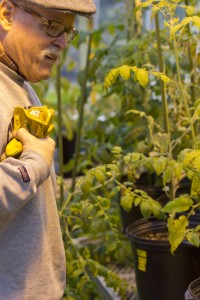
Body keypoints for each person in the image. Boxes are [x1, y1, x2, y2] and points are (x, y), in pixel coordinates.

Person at [0, 0, 96, 299]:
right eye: (52, 25)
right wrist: (33, 166)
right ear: (7, 14)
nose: (63, 42)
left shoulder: (16, 80)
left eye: (68, 31)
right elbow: (28, 168)